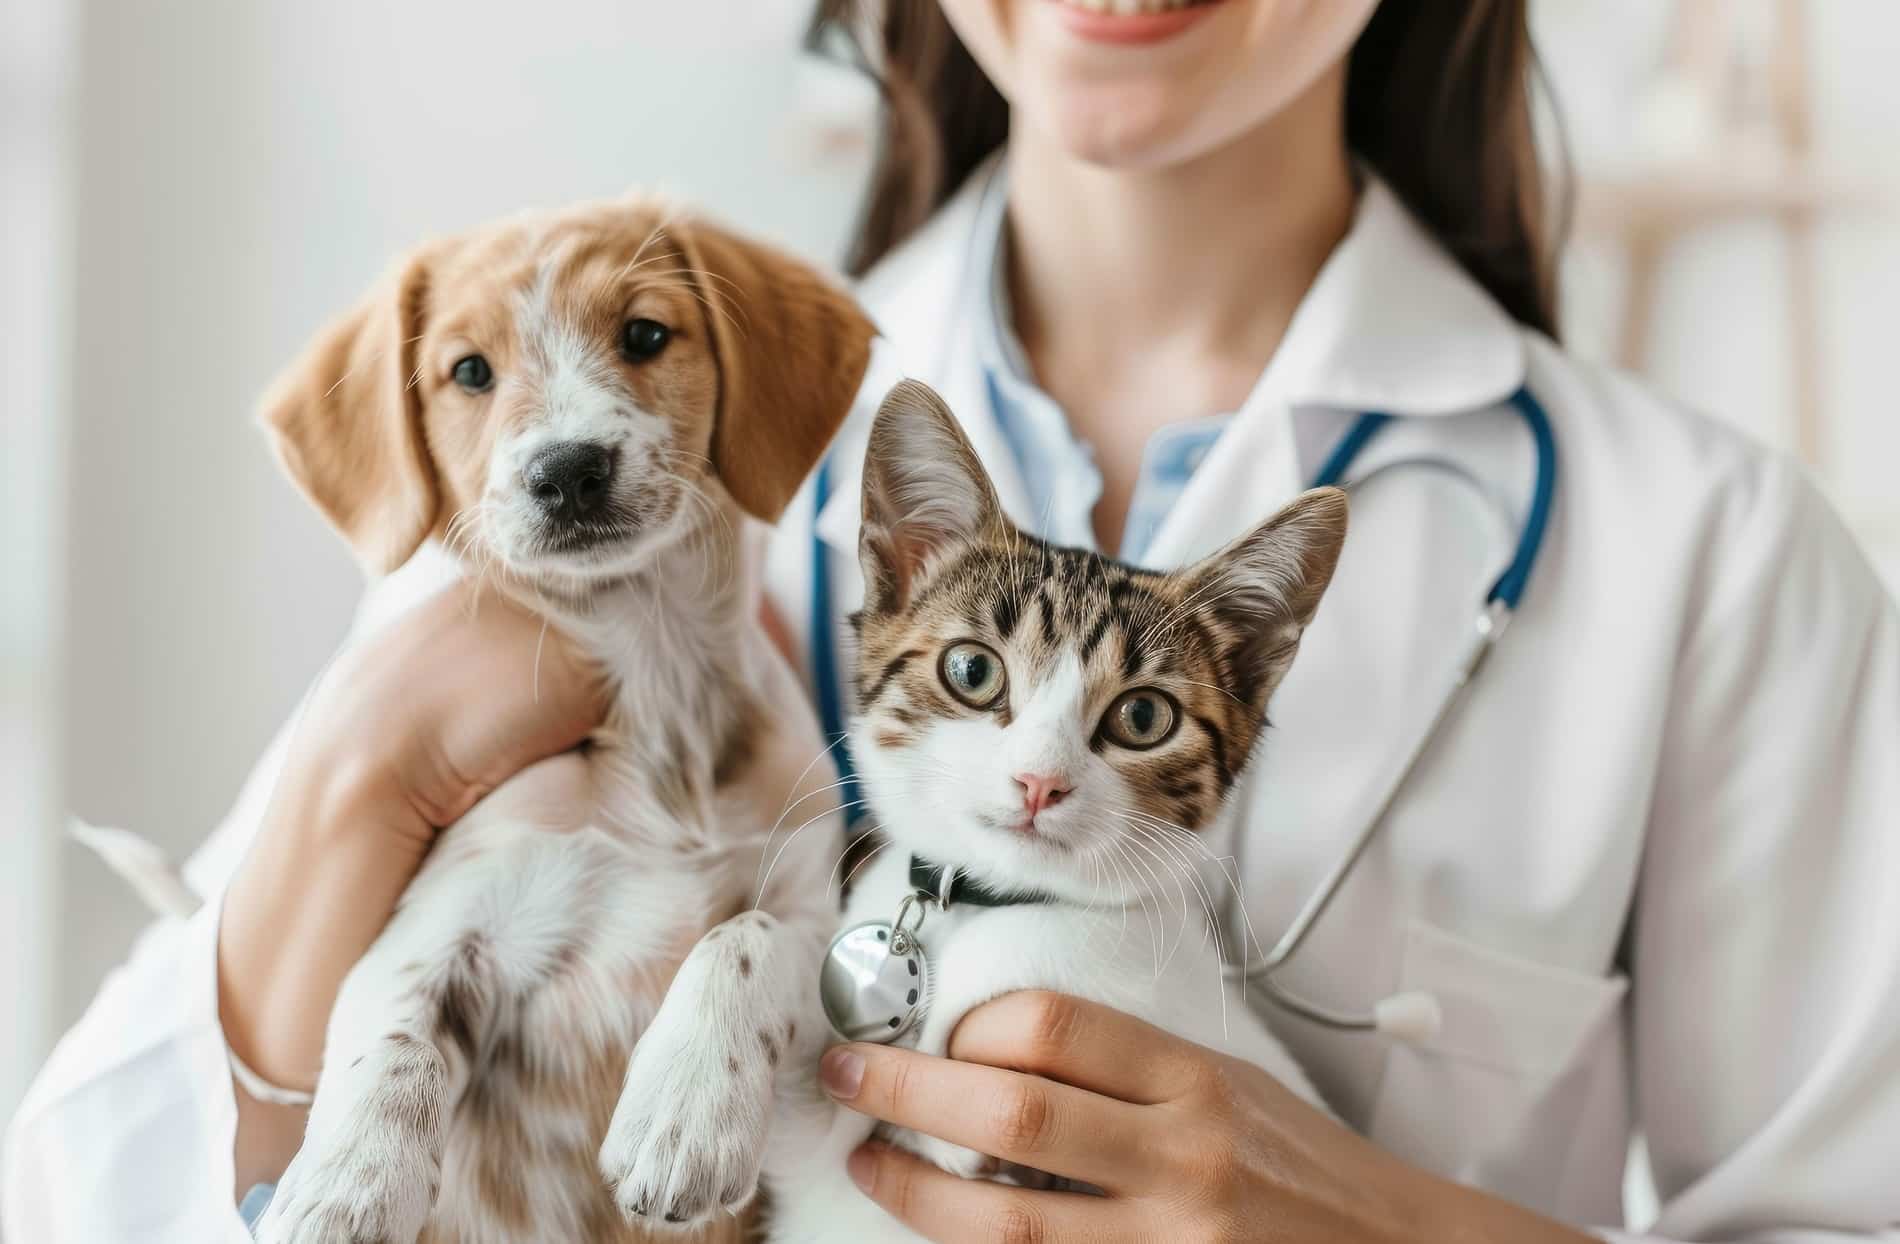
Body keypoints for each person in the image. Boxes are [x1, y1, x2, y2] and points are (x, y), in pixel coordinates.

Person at [8, 1, 1899, 1240]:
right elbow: (83, 1193)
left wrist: (1384, 1226)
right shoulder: (639, 435)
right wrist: (354, 786)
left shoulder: (1706, 556)